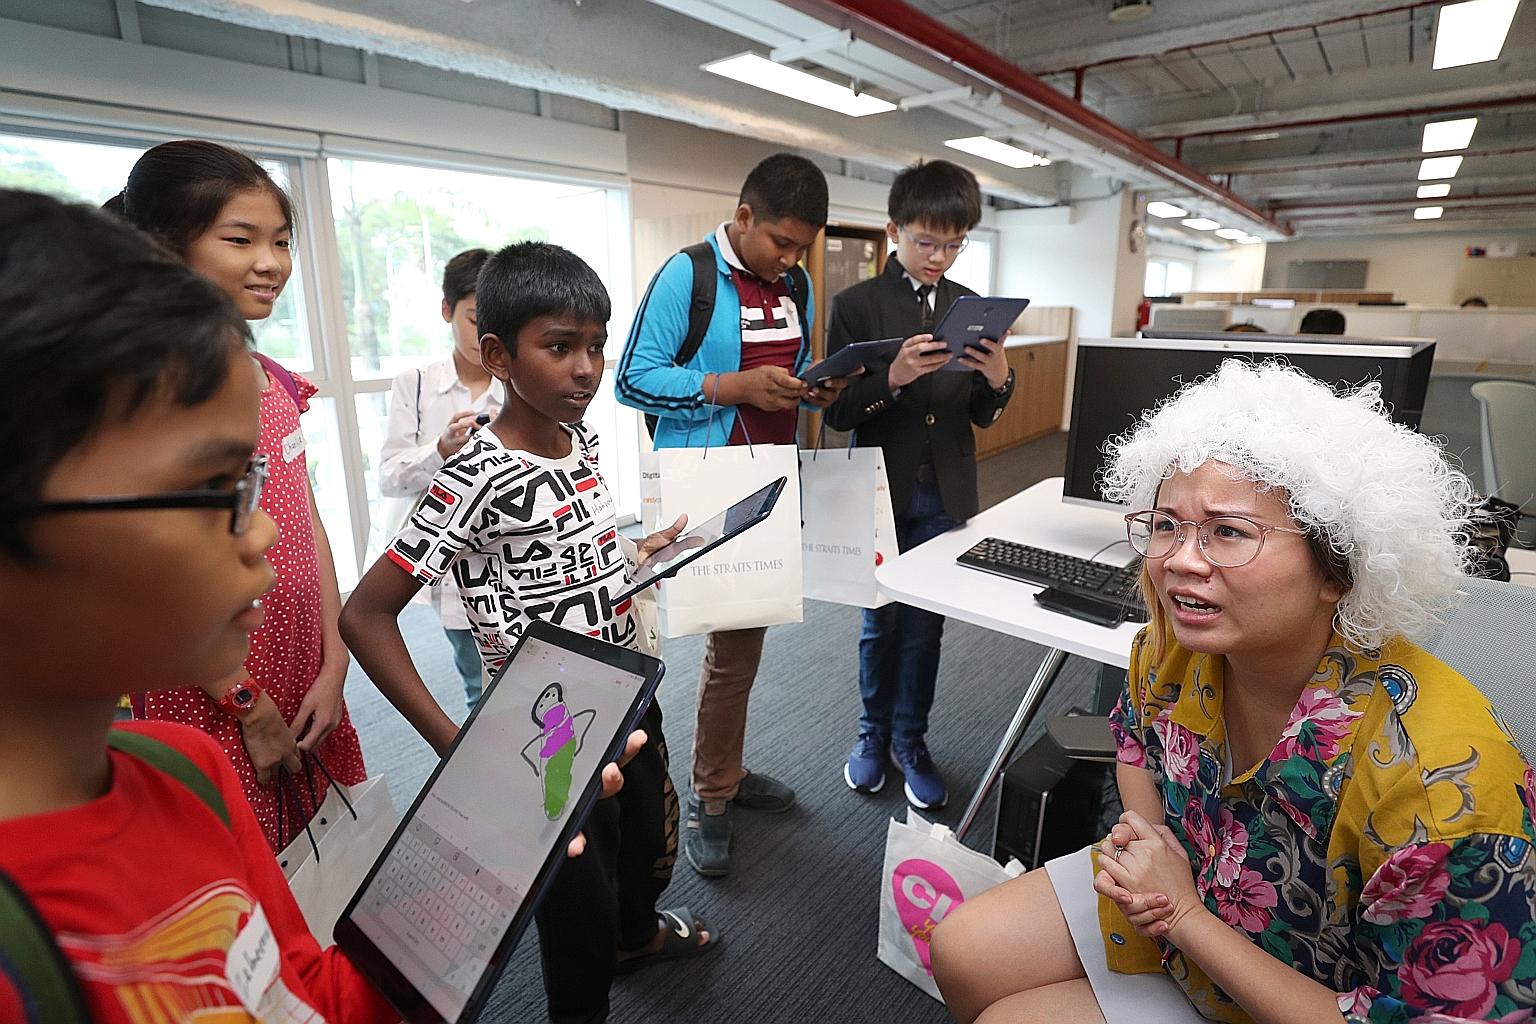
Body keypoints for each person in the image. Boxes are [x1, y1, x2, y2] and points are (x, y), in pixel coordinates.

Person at [930, 359, 1536, 1024]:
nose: (1180, 561)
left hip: (1307, 984)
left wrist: (1186, 917)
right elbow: (1135, 735)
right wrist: (1149, 846)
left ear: (1339, 569)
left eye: (1228, 532)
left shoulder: (1443, 796)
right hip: (1185, 893)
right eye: (1166, 524)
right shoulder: (1181, 642)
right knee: (960, 947)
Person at [0, 189, 400, 1023]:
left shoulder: (184, 771)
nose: (257, 532)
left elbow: (303, 999)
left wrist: (486, 882)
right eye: (212, 487)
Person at [341, 242, 716, 1024]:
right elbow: (365, 614)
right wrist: (456, 745)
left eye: (595, 346)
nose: (586, 368)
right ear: (497, 355)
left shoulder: (574, 437)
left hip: (625, 691)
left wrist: (637, 554)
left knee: (648, 840)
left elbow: (569, 550)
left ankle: (638, 936)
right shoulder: (476, 470)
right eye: (559, 347)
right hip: (543, 728)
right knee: (574, 900)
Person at [104, 139, 366, 853]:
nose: (271, 261)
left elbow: (306, 522)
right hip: (215, 688)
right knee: (240, 881)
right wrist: (248, 705)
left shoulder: (272, 379)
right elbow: (158, 570)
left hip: (305, 671)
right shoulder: (153, 391)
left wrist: (336, 656)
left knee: (328, 859)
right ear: (167, 245)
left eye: (281, 241)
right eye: (240, 239)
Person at [615, 152, 849, 877]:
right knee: (673, 644)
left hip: (769, 481)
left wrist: (813, 389)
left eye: (799, 248)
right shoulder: (688, 274)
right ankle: (680, 794)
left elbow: (794, 362)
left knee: (740, 646)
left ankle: (720, 783)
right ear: (743, 216)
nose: (788, 260)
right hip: (700, 483)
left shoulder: (798, 282)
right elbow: (632, 378)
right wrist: (732, 384)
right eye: (779, 241)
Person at [823, 159, 1015, 809]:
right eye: (927, 240)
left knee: (927, 626)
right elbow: (838, 412)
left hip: (948, 490)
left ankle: (912, 739)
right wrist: (893, 379)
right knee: (880, 624)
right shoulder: (855, 305)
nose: (940, 255)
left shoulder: (971, 307)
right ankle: (871, 735)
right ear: (894, 230)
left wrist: (999, 378)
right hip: (878, 487)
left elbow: (980, 416)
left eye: (954, 242)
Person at [379, 247, 503, 709]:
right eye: (474, 318)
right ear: (447, 311)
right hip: (453, 570)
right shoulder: (415, 384)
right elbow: (390, 477)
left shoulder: (521, 382)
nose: (484, 331)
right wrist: (440, 451)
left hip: (519, 557)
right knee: (479, 692)